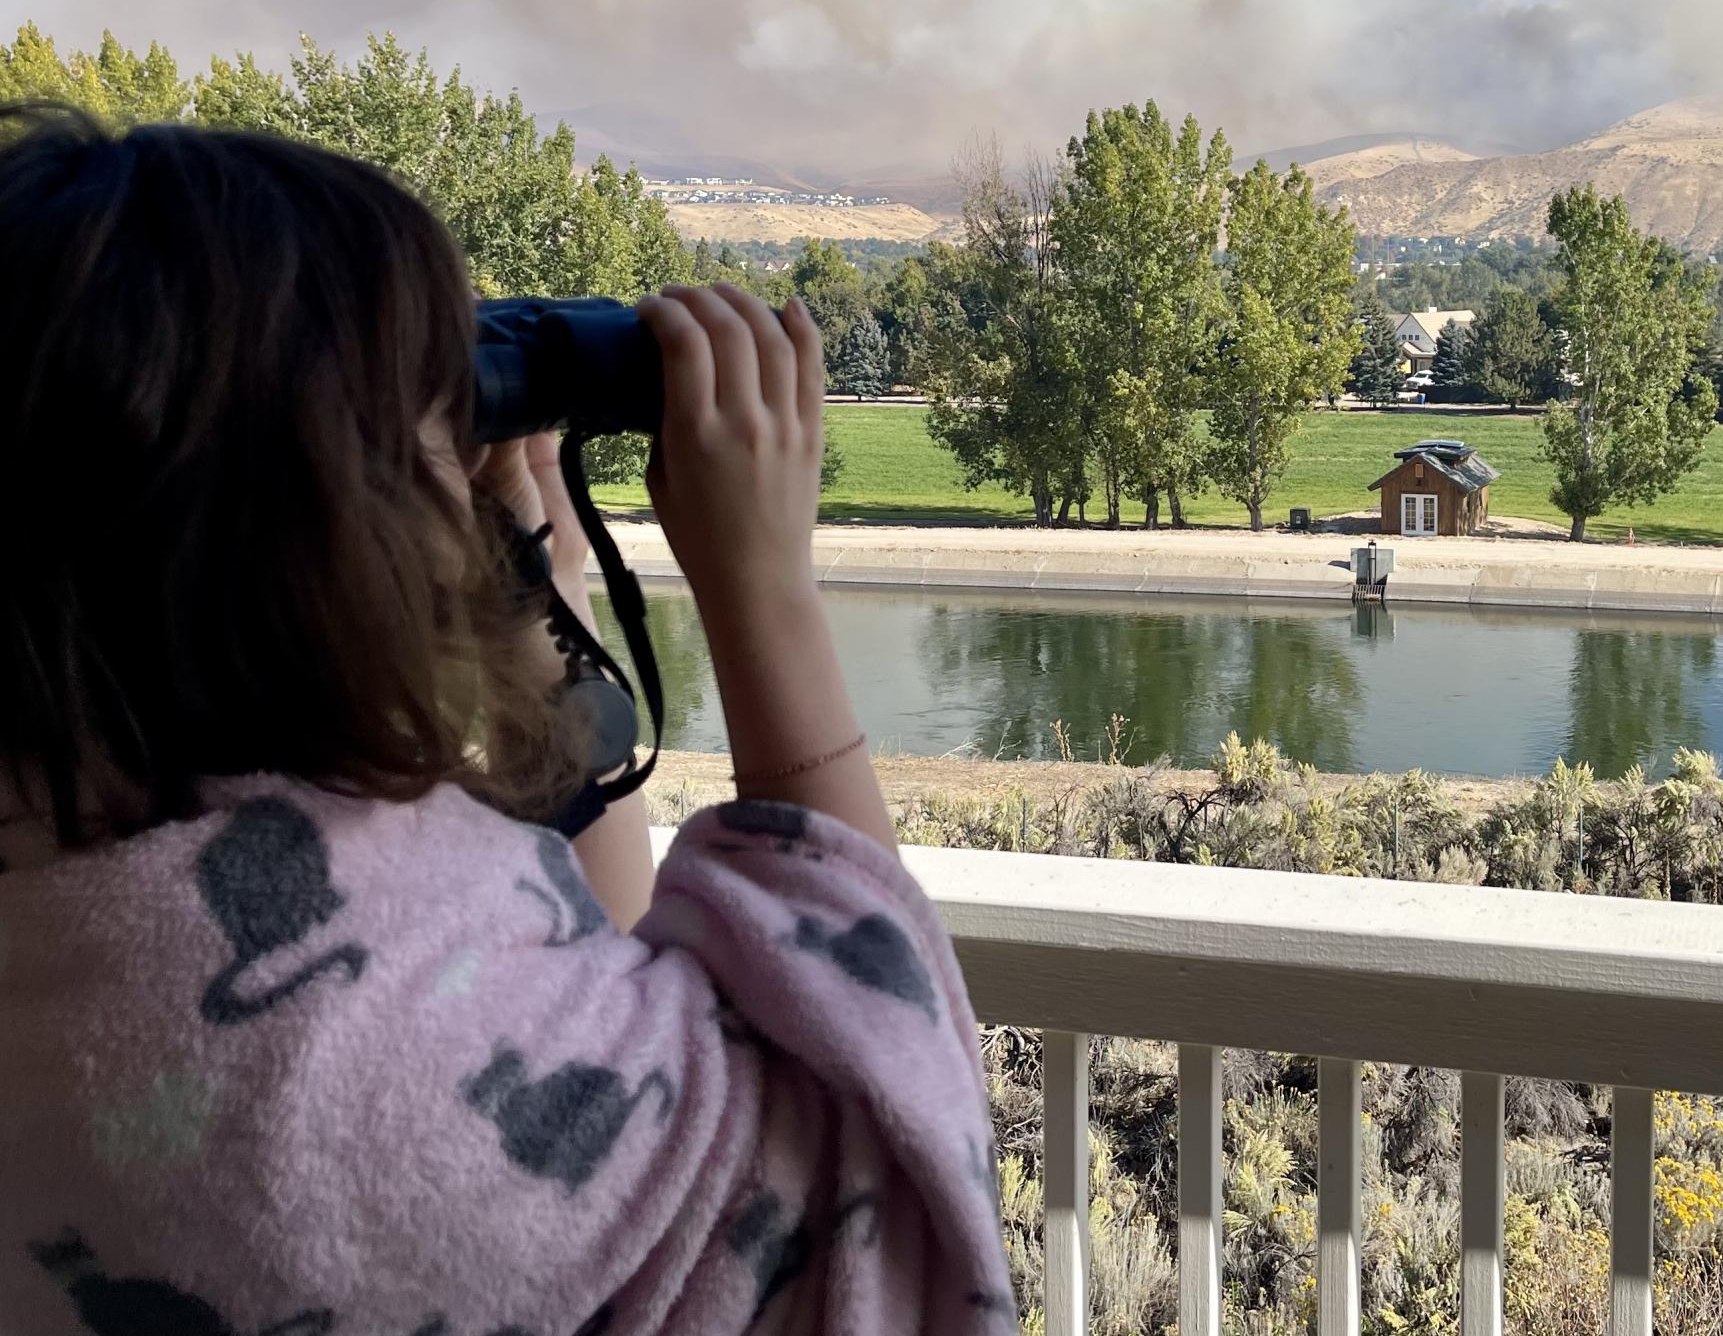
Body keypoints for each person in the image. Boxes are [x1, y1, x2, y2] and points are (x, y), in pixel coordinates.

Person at [0, 111, 1011, 1336]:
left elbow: (601, 975)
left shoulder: (85, 894)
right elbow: (884, 1181)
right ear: (306, 534)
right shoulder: (324, 1085)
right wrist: (766, 597)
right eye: (419, 431)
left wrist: (543, 601)